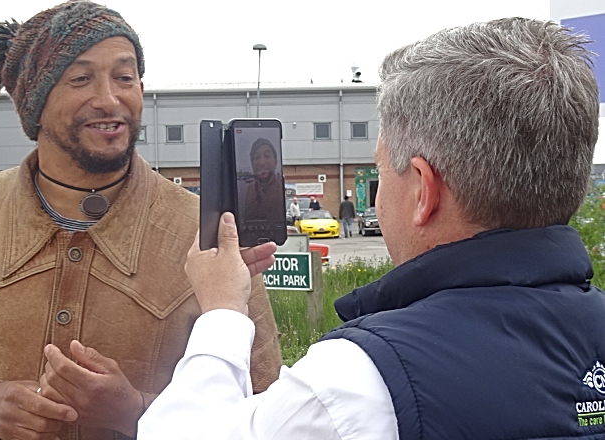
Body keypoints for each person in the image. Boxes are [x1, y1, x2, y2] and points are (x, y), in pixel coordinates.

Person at [133, 18, 605, 439]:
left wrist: (222, 314)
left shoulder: (355, 384)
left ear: (423, 190)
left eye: (382, 174)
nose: (378, 197)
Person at [0, 2, 281, 439]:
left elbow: (267, 412)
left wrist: (136, 412)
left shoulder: (208, 230)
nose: (109, 99)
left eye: (124, 77)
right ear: (34, 102)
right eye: (80, 78)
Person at [242, 138, 285, 223]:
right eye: (256, 157)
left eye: (267, 156)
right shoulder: (250, 189)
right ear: (252, 163)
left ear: (275, 162)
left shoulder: (280, 189)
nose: (262, 162)